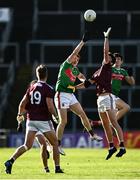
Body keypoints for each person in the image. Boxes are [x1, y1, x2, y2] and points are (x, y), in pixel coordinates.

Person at [75, 27, 126, 160]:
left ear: (110, 60)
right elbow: (87, 84)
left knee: (114, 122)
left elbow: (105, 51)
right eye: (107, 56)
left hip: (107, 97)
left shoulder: (107, 66)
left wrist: (106, 38)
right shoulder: (98, 71)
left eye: (109, 56)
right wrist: (73, 88)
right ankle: (111, 147)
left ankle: (122, 146)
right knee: (105, 125)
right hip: (100, 99)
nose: (106, 56)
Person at [4, 64, 63, 174]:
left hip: (31, 120)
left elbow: (22, 104)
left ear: (37, 74)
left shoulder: (31, 87)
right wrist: (55, 116)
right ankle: (57, 168)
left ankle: (10, 161)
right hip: (43, 120)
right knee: (55, 143)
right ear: (47, 75)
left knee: (27, 145)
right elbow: (50, 106)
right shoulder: (48, 88)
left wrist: (19, 115)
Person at [54, 32, 103, 155]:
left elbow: (81, 77)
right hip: (61, 94)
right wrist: (83, 42)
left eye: (77, 59)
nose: (76, 59)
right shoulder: (66, 65)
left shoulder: (75, 70)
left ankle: (92, 135)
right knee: (63, 121)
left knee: (82, 114)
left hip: (70, 95)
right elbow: (75, 52)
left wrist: (85, 81)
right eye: (75, 57)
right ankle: (57, 145)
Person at [90, 52, 135, 127]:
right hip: (108, 94)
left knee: (110, 119)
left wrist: (131, 75)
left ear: (122, 61)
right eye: (116, 59)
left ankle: (94, 123)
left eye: (119, 59)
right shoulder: (109, 68)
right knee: (126, 107)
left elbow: (132, 83)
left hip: (114, 96)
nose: (117, 60)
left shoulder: (123, 71)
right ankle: (112, 125)